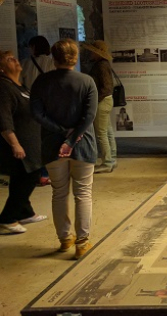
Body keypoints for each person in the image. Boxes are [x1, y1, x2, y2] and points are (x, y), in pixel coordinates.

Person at [30, 39, 98, 259]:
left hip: (52, 145)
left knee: (58, 193)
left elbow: (37, 114)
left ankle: (64, 239)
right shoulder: (87, 82)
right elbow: (89, 116)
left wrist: (60, 132)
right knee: (83, 193)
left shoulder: (41, 82)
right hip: (83, 145)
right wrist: (72, 138)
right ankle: (82, 242)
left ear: (54, 57)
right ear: (75, 57)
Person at [0, 51, 47, 235]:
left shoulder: (19, 85)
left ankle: (25, 212)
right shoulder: (4, 87)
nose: (16, 60)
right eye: (9, 59)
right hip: (19, 142)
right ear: (1, 68)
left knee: (23, 178)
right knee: (29, 177)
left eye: (15, 57)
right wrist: (14, 144)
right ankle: (7, 218)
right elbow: (3, 119)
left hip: (31, 141)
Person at [21, 35, 54, 187]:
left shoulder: (26, 63)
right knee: (47, 139)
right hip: (49, 105)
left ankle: (39, 173)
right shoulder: (52, 62)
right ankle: (48, 173)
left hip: (31, 105)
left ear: (34, 47)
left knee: (36, 141)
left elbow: (21, 84)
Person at [82, 40, 117, 174]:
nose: (90, 53)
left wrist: (95, 101)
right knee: (107, 131)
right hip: (106, 101)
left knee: (102, 133)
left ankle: (107, 162)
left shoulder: (101, 65)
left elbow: (106, 87)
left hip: (102, 101)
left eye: (92, 51)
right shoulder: (103, 64)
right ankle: (112, 159)